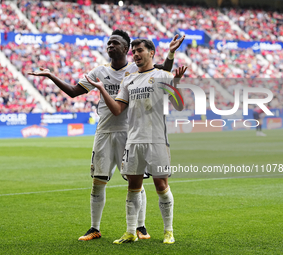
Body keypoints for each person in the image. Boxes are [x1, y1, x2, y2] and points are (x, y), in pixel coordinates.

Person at [28, 30, 185, 241]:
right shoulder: (99, 71)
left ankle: (140, 227)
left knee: (135, 181)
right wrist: (50, 76)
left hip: (130, 133)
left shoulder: (135, 68)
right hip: (104, 131)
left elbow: (162, 74)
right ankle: (95, 228)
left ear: (126, 48)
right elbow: (74, 91)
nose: (110, 45)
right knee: (98, 180)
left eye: (115, 43)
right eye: (108, 43)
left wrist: (171, 56)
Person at [85, 39, 187, 244]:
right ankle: (131, 231)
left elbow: (179, 105)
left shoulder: (163, 76)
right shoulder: (128, 80)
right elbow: (116, 110)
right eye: (134, 52)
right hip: (133, 140)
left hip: (157, 140)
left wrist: (175, 84)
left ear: (151, 53)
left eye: (140, 50)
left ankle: (169, 231)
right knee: (133, 186)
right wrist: (102, 89)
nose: (136, 54)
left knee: (161, 185)